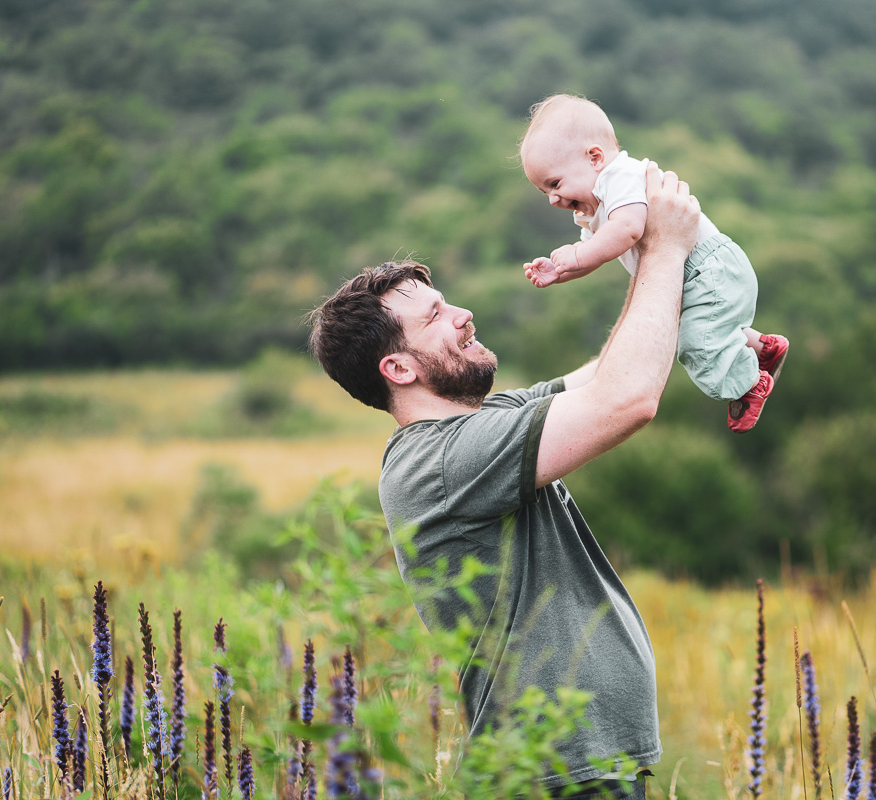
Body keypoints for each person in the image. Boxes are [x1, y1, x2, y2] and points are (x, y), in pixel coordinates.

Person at [307, 165, 700, 799]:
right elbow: (627, 400)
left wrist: (680, 290)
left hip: (581, 768)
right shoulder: (440, 461)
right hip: (555, 776)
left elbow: (609, 374)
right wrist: (665, 251)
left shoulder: (487, 421)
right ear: (398, 366)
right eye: (436, 315)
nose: (463, 315)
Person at [519, 93, 789, 433]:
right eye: (544, 191)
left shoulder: (619, 177)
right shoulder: (596, 205)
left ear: (595, 157)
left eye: (555, 184)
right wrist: (563, 270)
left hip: (708, 270)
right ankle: (763, 347)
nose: (552, 199)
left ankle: (750, 384)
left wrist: (575, 254)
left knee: (696, 343)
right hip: (700, 277)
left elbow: (628, 230)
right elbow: (598, 252)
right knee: (703, 325)